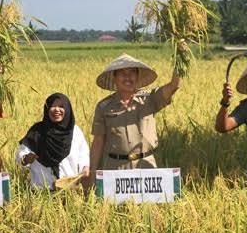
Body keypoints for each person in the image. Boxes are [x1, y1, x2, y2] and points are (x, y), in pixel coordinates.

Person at [87, 53, 181, 184]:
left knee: (148, 204)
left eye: (132, 72)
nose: (128, 77)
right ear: (114, 78)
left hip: (146, 165)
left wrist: (181, 56)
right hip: (115, 168)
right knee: (114, 204)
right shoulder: (104, 107)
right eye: (122, 73)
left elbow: (174, 86)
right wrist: (92, 175)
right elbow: (98, 143)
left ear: (137, 76)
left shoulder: (149, 99)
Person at [15, 93, 89, 189]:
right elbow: (21, 154)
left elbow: (84, 155)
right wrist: (26, 158)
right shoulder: (37, 131)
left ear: (67, 109)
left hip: (70, 192)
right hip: (41, 191)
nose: (57, 109)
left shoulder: (75, 131)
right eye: (53, 106)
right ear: (47, 109)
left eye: (61, 106)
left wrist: (85, 168)